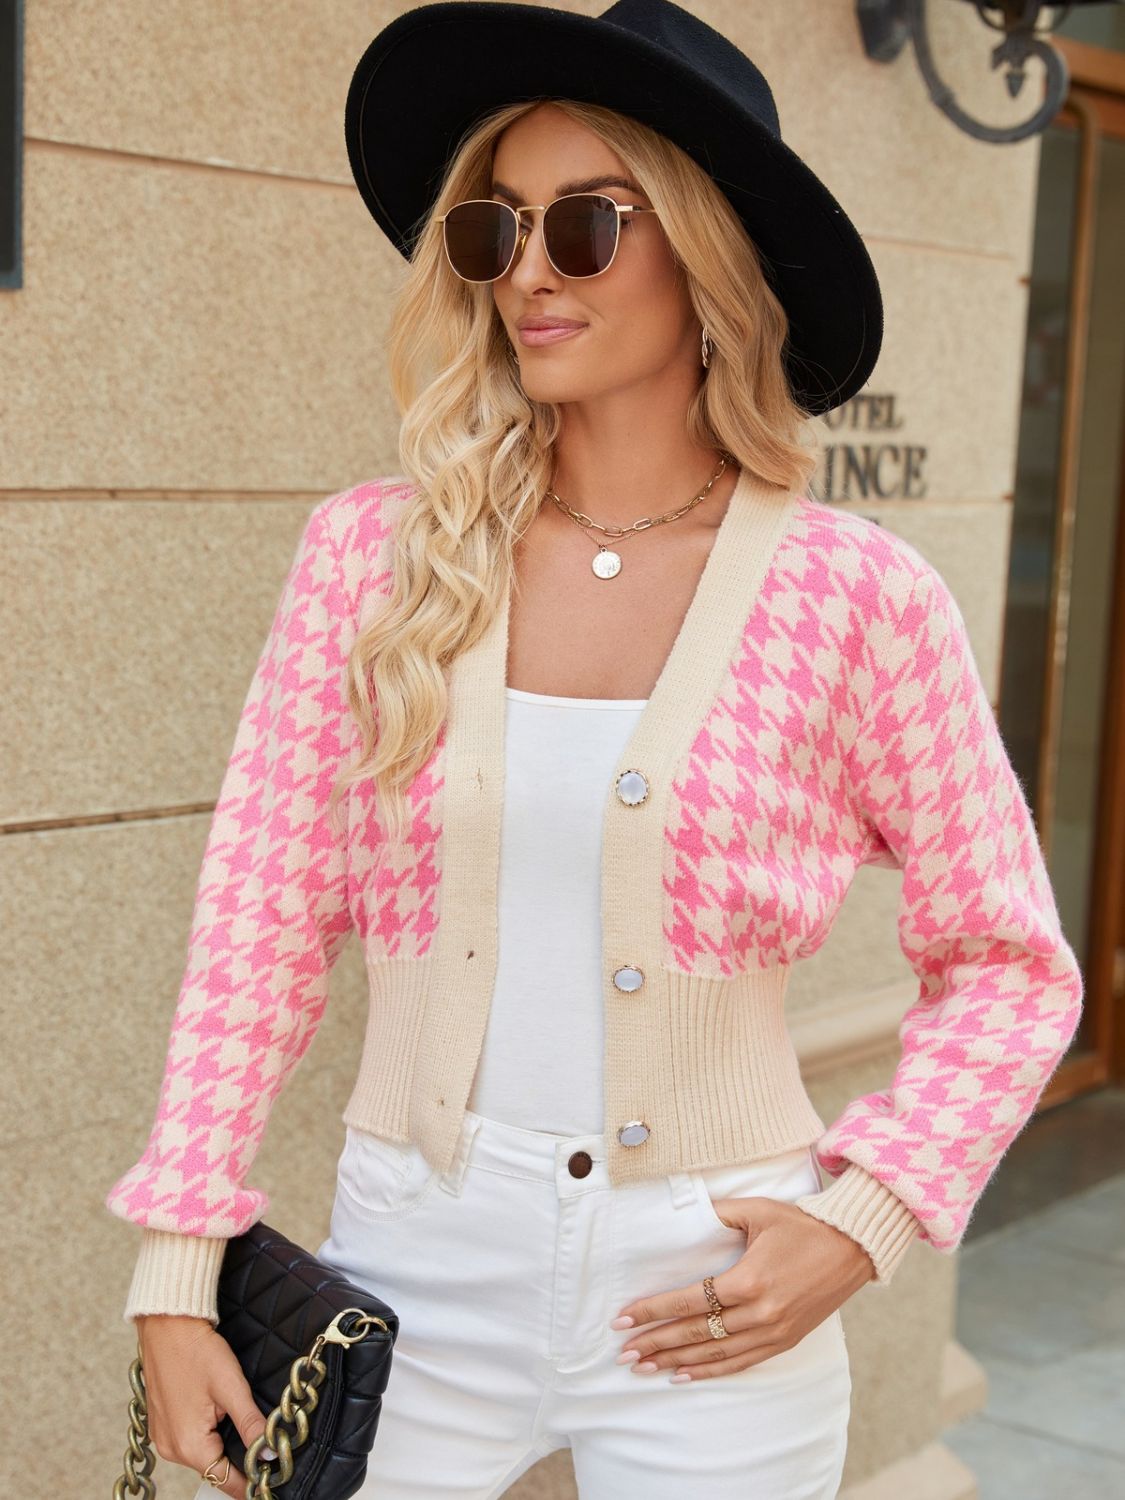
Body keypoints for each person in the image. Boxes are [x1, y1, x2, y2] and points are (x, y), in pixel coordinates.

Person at [104, 3, 1085, 1497]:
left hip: (716, 1283)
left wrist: (864, 1218)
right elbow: (260, 917)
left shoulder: (854, 598)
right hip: (415, 1268)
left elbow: (1008, 964)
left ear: (706, 254)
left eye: (585, 224)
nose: (528, 272)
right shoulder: (376, 559)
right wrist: (180, 1262)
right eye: (495, 229)